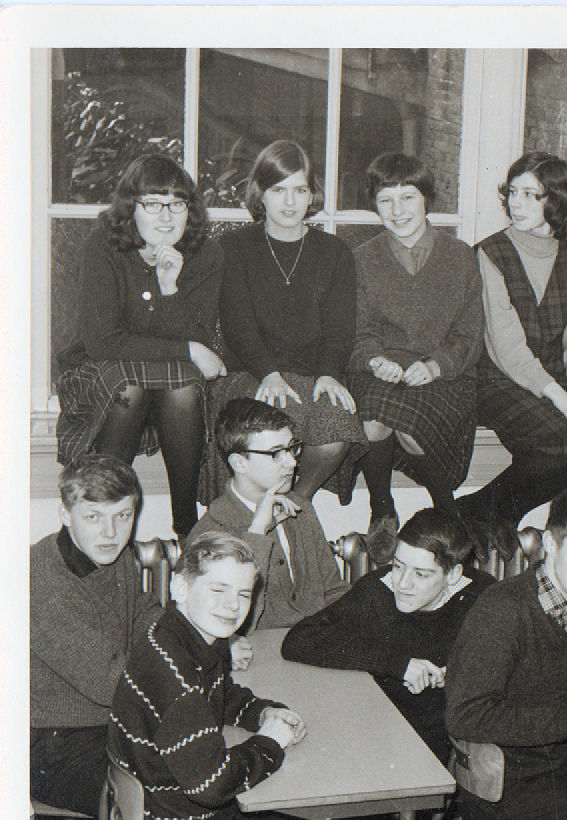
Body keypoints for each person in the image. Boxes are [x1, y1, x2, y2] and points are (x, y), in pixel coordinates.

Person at [108, 531, 369, 820]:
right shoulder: (176, 675)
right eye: (218, 589)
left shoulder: (180, 637)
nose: (233, 606)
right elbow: (212, 785)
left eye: (244, 594)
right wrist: (270, 743)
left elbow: (225, 694)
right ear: (180, 587)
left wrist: (262, 711)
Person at [454, 153, 567, 532]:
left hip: (557, 378)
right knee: (558, 442)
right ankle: (498, 510)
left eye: (531, 195)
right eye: (513, 192)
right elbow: (507, 349)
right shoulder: (490, 253)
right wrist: (560, 398)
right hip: (497, 379)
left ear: (554, 201)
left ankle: (491, 508)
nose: (515, 203)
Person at [444, 485, 567, 820]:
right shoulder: (504, 611)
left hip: (557, 766)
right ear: (550, 545)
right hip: (498, 789)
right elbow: (464, 716)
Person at [55, 153, 224, 538]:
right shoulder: (104, 246)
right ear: (133, 208)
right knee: (128, 385)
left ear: (189, 210)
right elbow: (102, 341)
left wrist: (169, 287)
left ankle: (186, 526)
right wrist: (190, 351)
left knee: (183, 385)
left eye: (177, 204)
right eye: (152, 203)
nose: (166, 217)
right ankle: (103, 515)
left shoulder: (207, 255)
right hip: (100, 372)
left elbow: (194, 333)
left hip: (167, 380)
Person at [347, 152, 486, 564]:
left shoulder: (460, 257)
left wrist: (436, 365)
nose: (397, 210)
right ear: (374, 204)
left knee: (410, 427)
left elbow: (469, 333)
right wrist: (374, 360)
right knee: (373, 417)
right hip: (381, 370)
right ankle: (381, 509)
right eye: (386, 199)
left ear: (427, 199)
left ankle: (446, 509)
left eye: (408, 197)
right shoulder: (361, 258)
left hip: (444, 373)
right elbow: (358, 331)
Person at [211, 139, 366, 506]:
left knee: (337, 429)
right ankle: (262, 511)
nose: (290, 202)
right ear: (260, 194)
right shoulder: (235, 247)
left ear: (312, 196)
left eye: (300, 190)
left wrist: (330, 373)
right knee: (268, 432)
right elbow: (238, 325)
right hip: (250, 372)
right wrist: (268, 373)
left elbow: (340, 329)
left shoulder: (334, 252)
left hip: (313, 375)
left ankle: (293, 505)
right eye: (278, 190)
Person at [281, 508, 493, 762]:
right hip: (380, 732)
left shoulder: (482, 595)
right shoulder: (378, 589)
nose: (403, 583)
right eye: (398, 566)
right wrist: (398, 664)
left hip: (455, 740)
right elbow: (298, 640)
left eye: (421, 574)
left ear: (453, 574)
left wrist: (457, 674)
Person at [31, 456, 163, 815]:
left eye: (122, 516)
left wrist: (195, 638)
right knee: (167, 801)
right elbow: (110, 681)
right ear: (64, 513)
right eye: (93, 517)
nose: (111, 532)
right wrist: (187, 658)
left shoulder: (115, 555)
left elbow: (145, 615)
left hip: (112, 724)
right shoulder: (39, 581)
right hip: (54, 744)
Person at [190, 398, 347, 630]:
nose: (292, 462)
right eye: (276, 454)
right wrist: (257, 533)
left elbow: (334, 591)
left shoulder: (301, 508)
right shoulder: (210, 533)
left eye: (292, 448)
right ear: (239, 463)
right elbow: (235, 628)